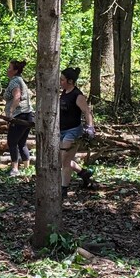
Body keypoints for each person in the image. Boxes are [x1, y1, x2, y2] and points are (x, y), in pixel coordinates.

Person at [58, 67, 96, 195]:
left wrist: (90, 127)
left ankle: (63, 189)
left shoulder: (77, 95)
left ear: (70, 81)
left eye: (62, 80)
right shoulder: (64, 92)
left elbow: (86, 111)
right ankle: (83, 173)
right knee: (62, 159)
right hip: (61, 130)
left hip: (73, 131)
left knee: (65, 161)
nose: (60, 81)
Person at [3, 60, 34, 177]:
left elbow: (17, 97)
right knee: (21, 142)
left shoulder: (15, 82)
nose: (8, 69)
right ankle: (27, 168)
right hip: (28, 115)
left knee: (12, 142)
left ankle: (15, 169)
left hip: (19, 116)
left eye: (9, 67)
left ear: (15, 71)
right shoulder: (20, 80)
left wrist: (10, 112)